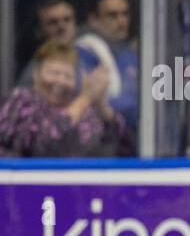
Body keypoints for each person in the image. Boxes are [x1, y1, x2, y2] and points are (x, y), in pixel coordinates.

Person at [0, 41, 132, 158]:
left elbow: (126, 150)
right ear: (36, 74)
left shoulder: (87, 114)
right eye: (54, 73)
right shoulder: (21, 101)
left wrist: (102, 106)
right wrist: (85, 98)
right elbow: (46, 148)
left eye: (68, 76)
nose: (61, 81)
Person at [75, 0, 140, 138]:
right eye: (112, 15)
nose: (122, 21)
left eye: (125, 14)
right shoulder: (82, 53)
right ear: (93, 19)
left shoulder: (130, 54)